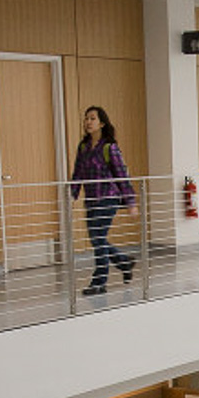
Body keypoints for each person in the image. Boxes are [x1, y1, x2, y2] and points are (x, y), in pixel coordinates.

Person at [70, 104, 136, 296]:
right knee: (97, 239)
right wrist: (72, 193)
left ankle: (99, 282)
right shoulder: (83, 147)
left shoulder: (109, 147)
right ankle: (124, 262)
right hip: (91, 200)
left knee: (97, 238)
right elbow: (78, 172)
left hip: (108, 198)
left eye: (92, 118)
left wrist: (131, 202)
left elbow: (122, 175)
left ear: (102, 123)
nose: (88, 122)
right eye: (86, 118)